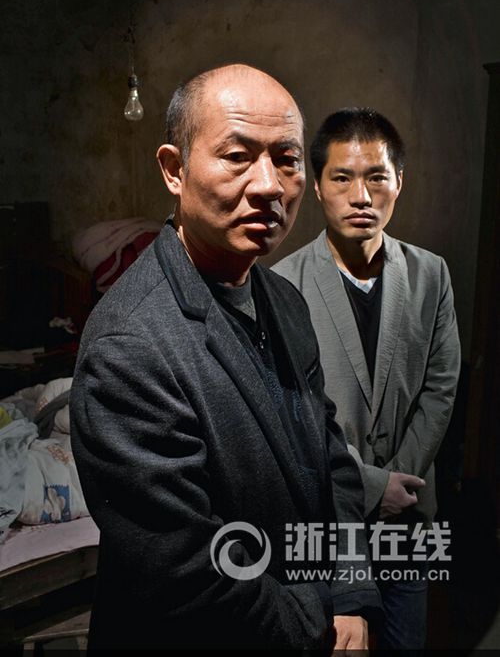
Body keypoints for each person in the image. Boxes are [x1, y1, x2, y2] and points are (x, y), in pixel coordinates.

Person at [70, 66, 381, 651]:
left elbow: (331, 457)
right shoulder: (130, 345)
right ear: (174, 169)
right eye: (237, 156)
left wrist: (351, 592)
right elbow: (185, 572)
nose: (268, 185)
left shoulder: (283, 300)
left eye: (286, 160)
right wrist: (320, 622)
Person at [273, 108, 461, 650]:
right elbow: (294, 413)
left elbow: (440, 388)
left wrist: (400, 481)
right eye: (342, 178)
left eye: (376, 177)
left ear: (399, 181)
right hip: (325, 520)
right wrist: (372, 486)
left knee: (406, 642)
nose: (361, 196)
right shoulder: (282, 285)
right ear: (316, 186)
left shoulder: (431, 274)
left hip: (410, 512)